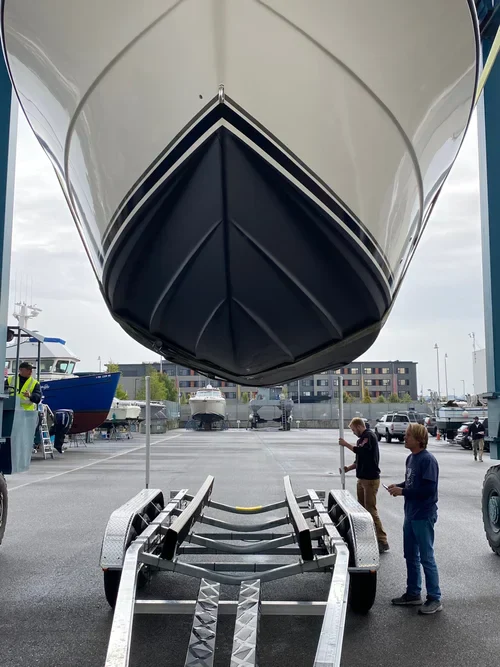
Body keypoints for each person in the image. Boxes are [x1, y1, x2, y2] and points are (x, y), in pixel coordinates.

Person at [387, 423, 442, 614]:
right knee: (410, 555)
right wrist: (399, 486)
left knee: (426, 558)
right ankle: (413, 594)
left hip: (423, 515)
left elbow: (428, 490)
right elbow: (411, 482)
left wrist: (403, 491)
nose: (405, 437)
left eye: (408, 435)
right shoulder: (411, 458)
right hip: (410, 514)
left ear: (419, 439)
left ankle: (435, 598)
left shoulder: (428, 460)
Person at [338, 417, 389, 553]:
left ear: (360, 426)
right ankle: (367, 536)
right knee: (362, 510)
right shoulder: (360, 440)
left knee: (371, 510)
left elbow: (361, 451)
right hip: (361, 479)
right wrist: (348, 468)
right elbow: (359, 460)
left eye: (354, 430)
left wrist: (345, 444)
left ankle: (382, 540)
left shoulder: (369, 436)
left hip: (370, 479)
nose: (354, 432)